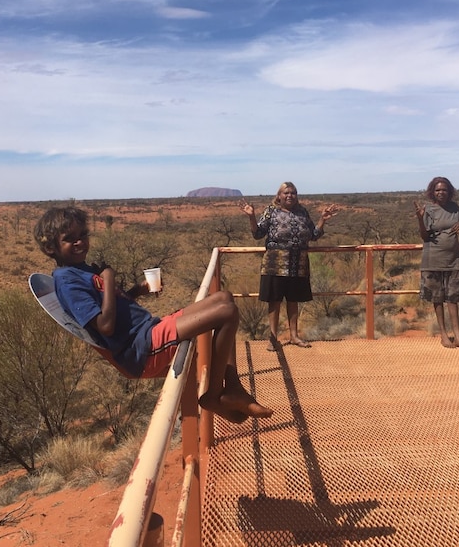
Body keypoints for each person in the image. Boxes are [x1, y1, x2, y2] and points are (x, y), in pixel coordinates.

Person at [33, 206, 272, 424]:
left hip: (148, 330)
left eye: (83, 235)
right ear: (50, 247)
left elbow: (110, 307)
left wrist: (137, 291)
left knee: (224, 297)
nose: (80, 242)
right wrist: (108, 277)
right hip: (141, 349)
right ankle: (213, 395)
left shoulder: (81, 270)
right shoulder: (67, 281)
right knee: (227, 312)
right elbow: (105, 326)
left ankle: (232, 385)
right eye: (69, 239)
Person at [239, 182, 340, 350]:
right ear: (279, 195)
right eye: (286, 193)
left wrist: (322, 219)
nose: (290, 195)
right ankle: (273, 338)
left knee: (294, 300)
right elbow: (258, 234)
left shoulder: (302, 212)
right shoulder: (271, 211)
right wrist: (251, 216)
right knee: (274, 300)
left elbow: (314, 235)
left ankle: (294, 336)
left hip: (298, 264)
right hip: (274, 264)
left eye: (293, 192)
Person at [414, 176, 459, 350]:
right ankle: (444, 335)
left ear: (450, 191)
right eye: (438, 190)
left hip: (453, 260)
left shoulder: (455, 208)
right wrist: (420, 219)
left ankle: (458, 336)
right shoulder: (429, 210)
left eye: (444, 190)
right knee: (437, 299)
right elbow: (424, 237)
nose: (441, 193)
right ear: (432, 191)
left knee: (453, 299)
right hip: (432, 260)